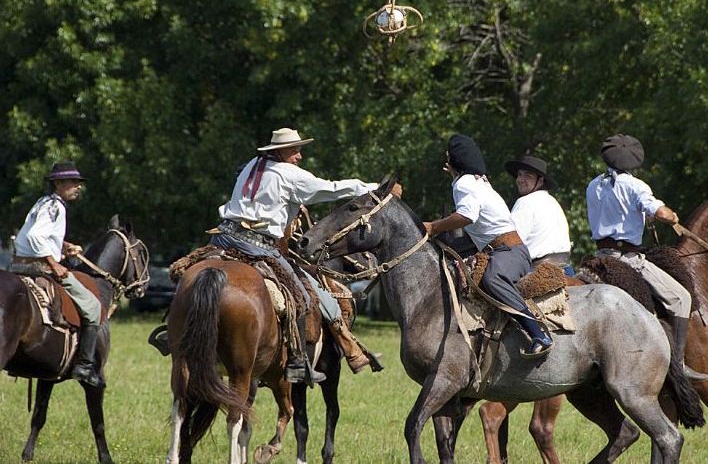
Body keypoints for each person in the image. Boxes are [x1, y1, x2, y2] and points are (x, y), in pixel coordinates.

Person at [153, 128, 398, 384]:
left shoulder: (251, 164)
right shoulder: (289, 174)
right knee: (303, 297)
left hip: (223, 237)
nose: (299, 156)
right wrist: (374, 188)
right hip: (257, 246)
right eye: (294, 150)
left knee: (185, 273)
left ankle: (171, 333)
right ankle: (297, 363)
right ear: (278, 151)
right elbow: (332, 189)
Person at [586, 134, 708, 381]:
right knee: (681, 298)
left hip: (601, 255)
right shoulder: (636, 186)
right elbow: (660, 213)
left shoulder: (593, 185)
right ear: (633, 161)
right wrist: (671, 216)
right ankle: (677, 364)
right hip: (627, 258)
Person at [423, 134, 552, 356]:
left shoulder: (464, 183)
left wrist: (433, 227)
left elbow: (466, 216)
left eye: (448, 157)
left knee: (492, 278)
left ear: (454, 161)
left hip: (509, 252)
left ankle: (537, 332)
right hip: (506, 250)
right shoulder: (476, 181)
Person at [11, 161, 104, 387]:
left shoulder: (44, 203)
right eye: (73, 182)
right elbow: (34, 236)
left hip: (19, 265)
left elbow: (30, 236)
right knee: (93, 308)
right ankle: (84, 367)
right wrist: (54, 263)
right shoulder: (56, 207)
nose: (78, 186)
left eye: (78, 183)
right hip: (38, 267)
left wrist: (62, 245)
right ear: (59, 183)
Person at [504, 155, 574, 275]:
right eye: (519, 174)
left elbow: (511, 243)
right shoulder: (553, 201)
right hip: (566, 269)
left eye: (528, 175)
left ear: (540, 181)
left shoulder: (525, 202)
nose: (520, 179)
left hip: (538, 272)